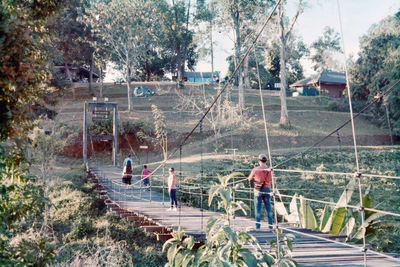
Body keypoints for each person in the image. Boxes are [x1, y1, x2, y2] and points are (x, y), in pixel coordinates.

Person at [248, 154, 273, 230]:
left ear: (259, 161)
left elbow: (249, 179)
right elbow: (270, 178)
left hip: (258, 190)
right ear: (266, 161)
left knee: (258, 209)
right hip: (267, 189)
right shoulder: (270, 169)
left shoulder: (255, 169)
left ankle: (258, 227)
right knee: (268, 208)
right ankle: (270, 226)